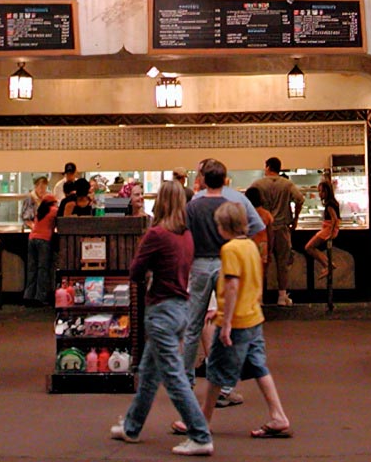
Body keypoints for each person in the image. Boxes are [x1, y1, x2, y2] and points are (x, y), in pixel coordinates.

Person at [110, 180, 213, 456]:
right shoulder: (187, 235)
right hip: (181, 308)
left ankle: (200, 434)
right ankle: (131, 426)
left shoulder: (156, 234)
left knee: (173, 376)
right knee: (148, 374)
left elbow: (135, 271)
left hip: (161, 311)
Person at [193, 201, 292, 439]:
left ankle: (201, 423)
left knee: (215, 369)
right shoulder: (250, 246)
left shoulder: (229, 250)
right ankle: (278, 415)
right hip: (253, 317)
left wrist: (225, 323)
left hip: (236, 320)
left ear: (224, 227)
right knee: (258, 365)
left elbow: (232, 285)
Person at [182, 159, 265, 407]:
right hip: (225, 262)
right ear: (226, 179)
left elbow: (185, 236)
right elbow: (251, 229)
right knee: (223, 324)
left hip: (198, 265)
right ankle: (225, 385)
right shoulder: (232, 203)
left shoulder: (194, 204)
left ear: (203, 179)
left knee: (192, 326)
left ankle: (185, 383)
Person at [248, 157, 305, 306]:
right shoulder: (287, 184)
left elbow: (248, 199)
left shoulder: (258, 184)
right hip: (282, 228)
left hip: (263, 229)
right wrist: (296, 218)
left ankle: (260, 297)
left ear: (267, 167)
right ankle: (281, 296)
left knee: (262, 263)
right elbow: (300, 199)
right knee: (282, 264)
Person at [24, 181, 58, 305]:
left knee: (32, 268)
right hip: (44, 240)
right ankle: (40, 297)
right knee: (42, 269)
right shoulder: (54, 210)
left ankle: (28, 296)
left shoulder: (40, 211)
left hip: (32, 238)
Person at [304, 180, 340, 279]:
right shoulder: (332, 203)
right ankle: (329, 265)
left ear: (327, 192)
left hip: (328, 229)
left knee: (309, 247)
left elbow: (334, 219)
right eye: (319, 191)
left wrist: (331, 233)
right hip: (328, 229)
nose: (320, 194)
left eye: (322, 191)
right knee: (310, 247)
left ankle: (327, 265)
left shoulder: (329, 205)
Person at [244, 186, 274, 286]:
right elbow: (271, 234)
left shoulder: (245, 213)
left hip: (248, 245)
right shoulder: (266, 214)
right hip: (263, 246)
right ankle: (259, 298)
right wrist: (270, 251)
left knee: (248, 273)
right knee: (261, 274)